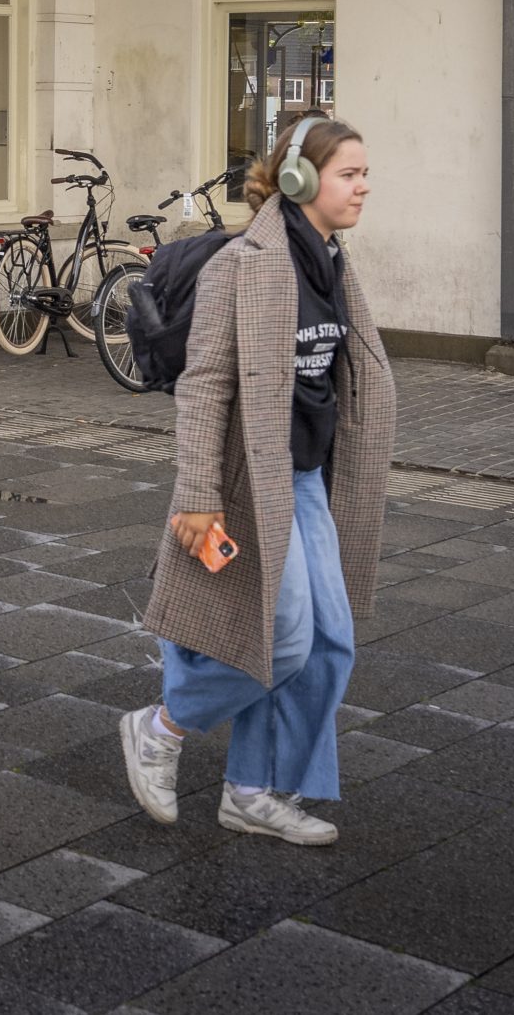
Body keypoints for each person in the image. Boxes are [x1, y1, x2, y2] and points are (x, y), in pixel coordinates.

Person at [119, 115, 396, 846]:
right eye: (350, 173)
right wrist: (198, 495)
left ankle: (251, 790)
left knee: (331, 640)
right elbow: (205, 385)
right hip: (251, 481)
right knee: (285, 639)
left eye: (366, 172)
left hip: (305, 478)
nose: (364, 186)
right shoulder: (241, 267)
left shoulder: (332, 265)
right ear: (302, 178)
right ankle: (161, 727)